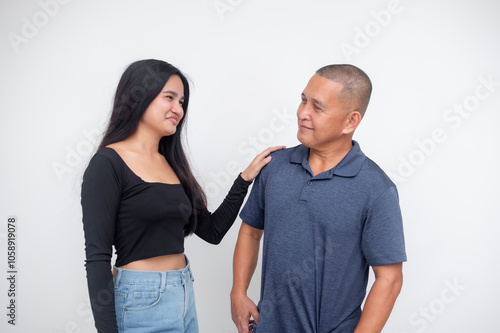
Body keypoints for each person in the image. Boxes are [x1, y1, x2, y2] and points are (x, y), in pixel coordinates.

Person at [81, 59, 283, 333]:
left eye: (182, 101)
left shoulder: (171, 163)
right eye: (170, 98)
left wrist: (244, 180)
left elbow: (211, 232)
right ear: (138, 96)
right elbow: (97, 258)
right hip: (140, 299)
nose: (179, 109)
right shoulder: (108, 164)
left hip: (183, 289)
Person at [231, 64, 407, 332]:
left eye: (317, 107)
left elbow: (389, 279)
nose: (303, 113)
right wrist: (238, 292)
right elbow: (251, 232)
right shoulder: (275, 166)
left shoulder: (376, 188)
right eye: (303, 101)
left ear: (351, 121)